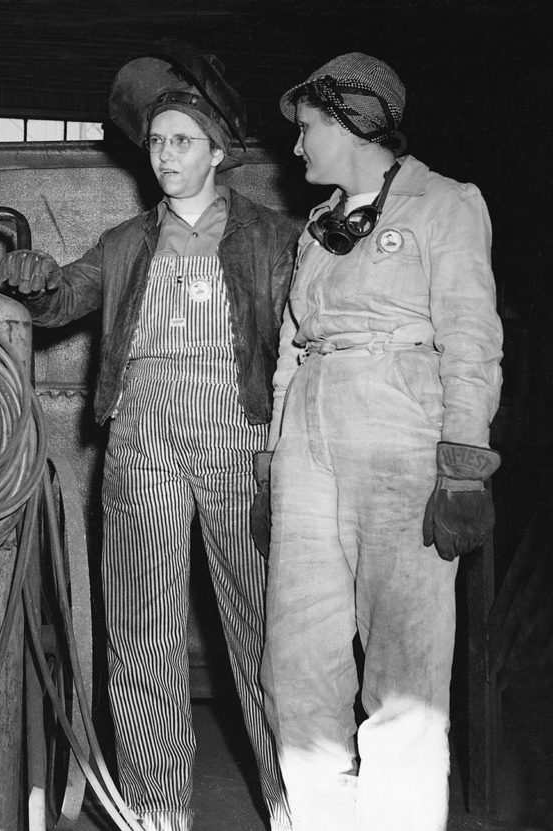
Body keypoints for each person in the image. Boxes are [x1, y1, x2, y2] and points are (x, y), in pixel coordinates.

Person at [0, 41, 296, 831]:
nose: (166, 155)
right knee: (141, 633)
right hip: (143, 446)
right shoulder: (129, 242)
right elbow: (64, 297)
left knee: (265, 631)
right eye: (158, 141)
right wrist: (33, 277)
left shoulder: (273, 239)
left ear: (218, 152)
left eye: (183, 142)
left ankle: (292, 799)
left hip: (241, 442)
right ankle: (159, 809)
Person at [258, 53, 503, 831]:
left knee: (403, 680)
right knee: (293, 668)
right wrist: (272, 461)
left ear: (353, 121)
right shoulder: (319, 226)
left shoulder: (446, 204)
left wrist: (463, 466)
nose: (296, 149)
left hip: (402, 438)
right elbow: (291, 351)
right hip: (308, 445)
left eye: (306, 130)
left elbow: (470, 339)